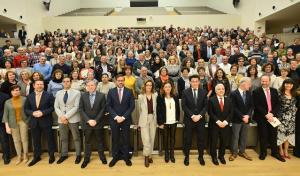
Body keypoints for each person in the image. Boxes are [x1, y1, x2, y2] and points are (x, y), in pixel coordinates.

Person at [253, 75, 285, 162]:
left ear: (269, 81)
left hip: (273, 116)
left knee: (273, 135)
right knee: (263, 135)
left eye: (266, 81)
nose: (264, 83)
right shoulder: (256, 91)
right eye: (263, 81)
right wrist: (266, 114)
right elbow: (256, 105)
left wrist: (272, 114)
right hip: (262, 117)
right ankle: (263, 153)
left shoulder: (274, 91)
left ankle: (275, 153)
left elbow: (278, 104)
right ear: (261, 81)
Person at [24, 80, 56, 166]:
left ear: (43, 86)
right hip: (34, 122)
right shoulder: (29, 96)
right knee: (36, 140)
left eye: (41, 84)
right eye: (37, 84)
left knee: (50, 139)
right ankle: (37, 156)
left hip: (46, 120)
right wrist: (32, 113)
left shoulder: (49, 95)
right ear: (34, 86)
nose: (39, 86)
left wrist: (43, 112)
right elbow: (26, 109)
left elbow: (53, 107)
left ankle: (51, 155)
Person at [107, 74, 135, 167]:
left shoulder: (129, 91)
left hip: (125, 120)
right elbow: (108, 106)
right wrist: (116, 117)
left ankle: (126, 157)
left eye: (122, 80)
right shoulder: (111, 91)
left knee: (126, 139)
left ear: (124, 81)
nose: (120, 82)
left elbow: (132, 106)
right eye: (118, 80)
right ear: (116, 81)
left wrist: (123, 117)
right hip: (114, 120)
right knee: (115, 139)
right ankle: (115, 157)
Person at [79, 80, 107, 168]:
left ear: (95, 86)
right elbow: (81, 109)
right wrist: (88, 120)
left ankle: (102, 156)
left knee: (100, 141)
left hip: (98, 123)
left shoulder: (102, 96)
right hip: (87, 123)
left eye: (92, 85)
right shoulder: (83, 96)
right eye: (89, 85)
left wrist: (96, 120)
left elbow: (103, 109)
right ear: (86, 87)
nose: (90, 87)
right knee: (87, 142)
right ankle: (86, 159)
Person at [54, 77, 82, 165]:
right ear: (62, 83)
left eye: (68, 81)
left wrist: (66, 116)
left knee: (76, 138)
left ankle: (78, 155)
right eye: (64, 81)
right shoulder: (58, 93)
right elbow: (56, 107)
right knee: (63, 138)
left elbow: (76, 107)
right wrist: (62, 117)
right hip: (61, 119)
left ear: (71, 83)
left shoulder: (77, 93)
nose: (66, 83)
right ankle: (64, 154)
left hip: (73, 119)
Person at [181, 75, 207, 166]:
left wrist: (199, 116)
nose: (195, 83)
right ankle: (186, 156)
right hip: (189, 119)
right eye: (193, 81)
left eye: (196, 81)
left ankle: (201, 156)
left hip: (200, 120)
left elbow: (205, 106)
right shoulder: (185, 92)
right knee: (188, 139)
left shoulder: (204, 92)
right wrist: (192, 116)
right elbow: (184, 106)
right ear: (190, 82)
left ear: (199, 82)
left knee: (201, 139)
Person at [2, 85, 30, 164]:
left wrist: (28, 121)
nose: (16, 92)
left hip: (23, 122)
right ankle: (19, 155)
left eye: (17, 90)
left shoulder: (25, 99)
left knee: (24, 139)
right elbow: (5, 115)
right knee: (16, 140)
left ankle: (25, 155)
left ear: (20, 91)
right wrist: (7, 127)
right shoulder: (7, 102)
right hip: (12, 123)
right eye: (14, 90)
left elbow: (28, 111)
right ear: (11, 92)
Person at [229, 77, 253, 162]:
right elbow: (233, 107)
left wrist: (248, 116)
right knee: (235, 136)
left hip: (247, 119)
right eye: (249, 84)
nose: (250, 86)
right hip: (237, 119)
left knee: (244, 136)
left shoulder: (249, 93)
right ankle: (234, 152)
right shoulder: (233, 93)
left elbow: (251, 106)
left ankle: (242, 151)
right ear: (243, 83)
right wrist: (242, 117)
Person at [208, 83, 233, 165]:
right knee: (213, 141)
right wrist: (218, 121)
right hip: (214, 124)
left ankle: (221, 156)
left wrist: (225, 122)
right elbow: (210, 112)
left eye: (222, 89)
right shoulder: (211, 100)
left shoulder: (229, 100)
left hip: (225, 125)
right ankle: (214, 156)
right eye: (219, 89)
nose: (221, 90)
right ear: (215, 91)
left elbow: (231, 112)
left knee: (223, 141)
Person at [157, 81, 180, 163]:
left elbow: (178, 109)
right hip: (164, 121)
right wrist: (160, 122)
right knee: (165, 138)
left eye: (169, 87)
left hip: (173, 120)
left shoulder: (175, 96)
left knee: (172, 138)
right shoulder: (160, 97)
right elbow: (158, 111)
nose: (168, 88)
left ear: (171, 88)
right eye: (166, 87)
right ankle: (166, 154)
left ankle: (172, 154)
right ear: (163, 88)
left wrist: (178, 118)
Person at [138, 80, 158, 167]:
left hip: (153, 119)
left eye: (150, 85)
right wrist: (139, 122)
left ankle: (150, 155)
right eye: (147, 85)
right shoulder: (140, 96)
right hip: (143, 120)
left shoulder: (155, 95)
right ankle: (146, 157)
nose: (149, 87)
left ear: (152, 87)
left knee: (152, 138)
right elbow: (139, 110)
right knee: (146, 140)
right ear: (144, 86)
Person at [277, 79, 297, 159]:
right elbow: (277, 105)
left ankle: (286, 150)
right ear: (284, 84)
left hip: (291, 118)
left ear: (292, 86)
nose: (288, 85)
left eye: (290, 84)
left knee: (289, 134)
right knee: (281, 134)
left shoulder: (295, 94)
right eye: (287, 84)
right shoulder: (279, 93)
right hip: (282, 117)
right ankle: (281, 150)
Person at [0, 92, 10, 164]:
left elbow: (6, 110)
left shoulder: (5, 96)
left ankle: (6, 156)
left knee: (4, 139)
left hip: (2, 121)